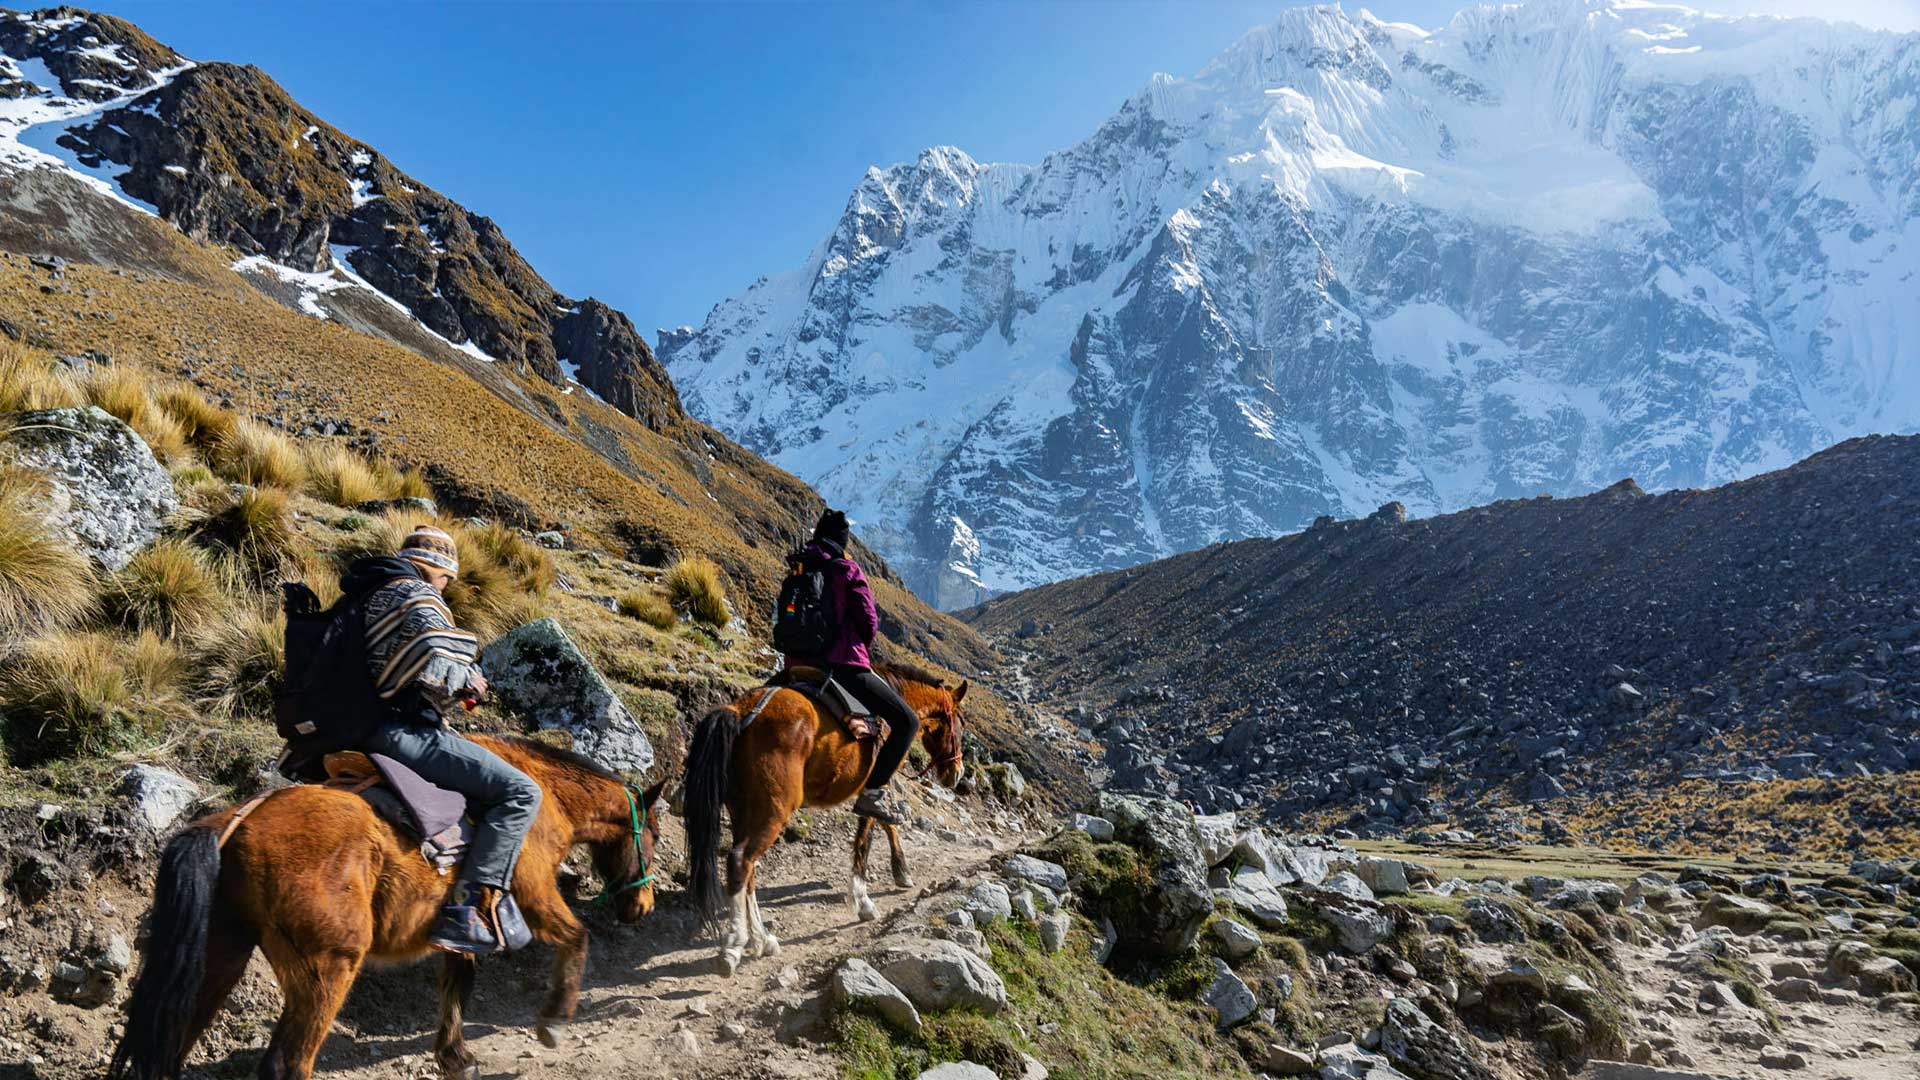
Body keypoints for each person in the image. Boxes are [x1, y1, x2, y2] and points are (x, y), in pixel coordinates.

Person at [340, 525, 541, 953]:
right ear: (436, 568)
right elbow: (438, 650)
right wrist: (470, 680)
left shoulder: (368, 590)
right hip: (396, 731)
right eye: (447, 579)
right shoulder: (415, 592)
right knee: (521, 791)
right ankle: (467, 909)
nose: (446, 588)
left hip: (348, 724)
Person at [785, 509, 919, 825]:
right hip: (843, 665)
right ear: (842, 541)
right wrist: (856, 645)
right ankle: (872, 795)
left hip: (796, 663)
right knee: (907, 722)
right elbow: (869, 622)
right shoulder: (847, 570)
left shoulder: (798, 567)